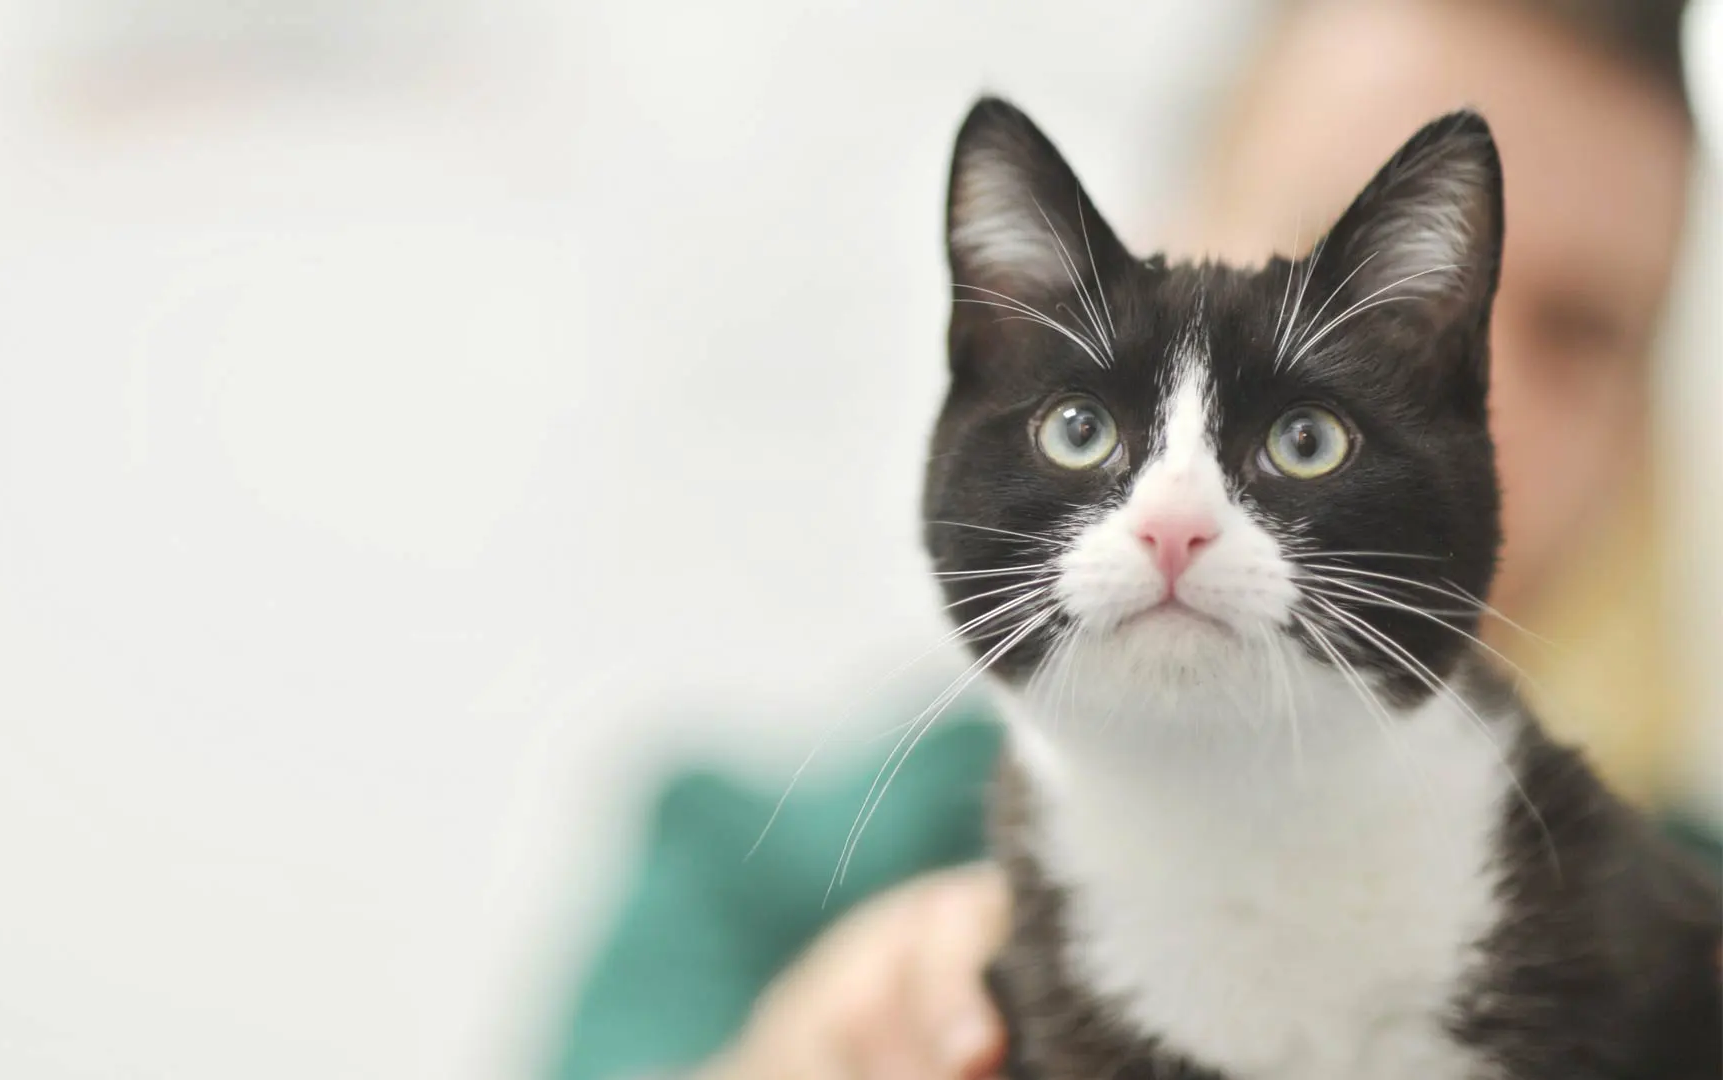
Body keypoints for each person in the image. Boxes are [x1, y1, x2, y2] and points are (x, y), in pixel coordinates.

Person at [549, 1, 1714, 1077]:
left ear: (1644, 448)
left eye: (1580, 332)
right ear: (1169, 230)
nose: (1493, 389)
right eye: (1325, 276)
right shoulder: (753, 876)